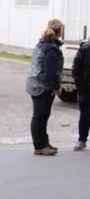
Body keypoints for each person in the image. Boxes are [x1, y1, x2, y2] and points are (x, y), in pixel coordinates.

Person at [26, 19, 64, 156]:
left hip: (35, 84)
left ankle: (43, 143)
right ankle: (39, 146)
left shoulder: (42, 43)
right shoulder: (51, 48)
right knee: (40, 116)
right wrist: (56, 87)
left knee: (42, 116)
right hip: (41, 86)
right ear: (60, 31)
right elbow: (51, 72)